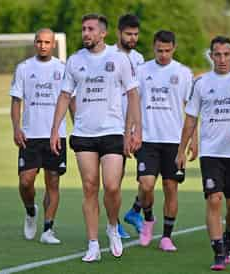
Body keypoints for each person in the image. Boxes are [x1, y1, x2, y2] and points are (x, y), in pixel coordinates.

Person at [50, 13, 142, 262]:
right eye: (83, 29)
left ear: (103, 33)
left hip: (112, 131)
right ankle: (92, 243)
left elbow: (133, 95)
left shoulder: (119, 59)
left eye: (90, 29)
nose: (86, 34)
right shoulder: (74, 61)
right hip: (84, 133)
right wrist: (55, 129)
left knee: (112, 186)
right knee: (90, 187)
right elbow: (64, 96)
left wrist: (135, 131)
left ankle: (112, 225)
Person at [176, 36, 230, 270]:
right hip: (211, 153)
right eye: (217, 54)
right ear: (211, 56)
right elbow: (191, 119)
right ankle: (218, 252)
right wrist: (181, 150)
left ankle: (228, 238)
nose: (221, 59)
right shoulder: (201, 83)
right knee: (214, 199)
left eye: (226, 54)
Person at [134, 30, 197, 251]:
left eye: (167, 50)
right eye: (159, 50)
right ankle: (148, 219)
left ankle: (166, 237)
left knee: (171, 188)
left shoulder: (184, 73)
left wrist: (193, 141)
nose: (163, 54)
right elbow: (133, 104)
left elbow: (192, 110)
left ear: (174, 48)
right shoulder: (142, 71)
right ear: (153, 47)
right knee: (146, 184)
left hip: (174, 141)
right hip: (147, 139)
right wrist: (132, 132)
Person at [10, 28, 68, 245]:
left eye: (47, 42)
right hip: (30, 135)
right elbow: (16, 101)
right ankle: (30, 210)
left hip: (55, 135)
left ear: (53, 44)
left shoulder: (63, 68)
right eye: (39, 41)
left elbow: (69, 99)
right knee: (26, 182)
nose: (43, 45)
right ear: (35, 43)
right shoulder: (23, 68)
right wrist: (16, 128)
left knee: (53, 182)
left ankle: (48, 230)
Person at [108, 13, 145, 239]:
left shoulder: (140, 59)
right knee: (116, 179)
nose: (132, 38)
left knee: (147, 177)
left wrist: (136, 130)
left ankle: (135, 211)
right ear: (118, 33)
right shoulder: (108, 57)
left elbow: (139, 95)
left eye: (135, 35)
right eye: (128, 34)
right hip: (114, 126)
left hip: (138, 128)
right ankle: (115, 223)